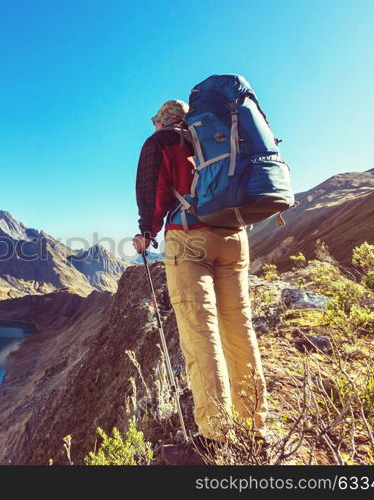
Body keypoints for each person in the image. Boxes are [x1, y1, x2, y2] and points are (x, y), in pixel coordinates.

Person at [133, 100, 269, 462]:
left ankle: (215, 436)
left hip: (190, 237)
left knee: (200, 331)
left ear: (163, 120)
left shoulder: (162, 142)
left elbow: (152, 193)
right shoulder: (219, 139)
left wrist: (146, 232)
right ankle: (256, 427)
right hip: (235, 237)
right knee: (239, 328)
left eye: (156, 121)